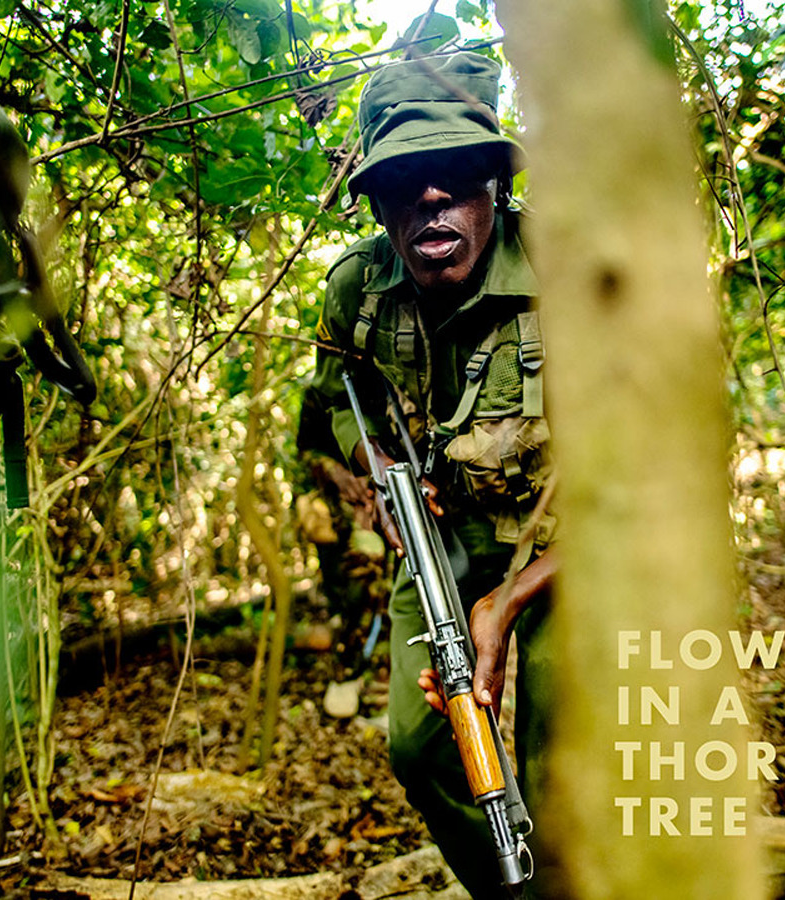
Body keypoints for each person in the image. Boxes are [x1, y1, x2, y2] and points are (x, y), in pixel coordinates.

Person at [310, 51, 557, 899]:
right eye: (403, 182)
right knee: (419, 744)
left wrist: (509, 601)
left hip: (566, 544)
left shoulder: (570, 272)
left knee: (563, 757)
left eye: (454, 175)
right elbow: (338, 398)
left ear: (495, 186)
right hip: (441, 545)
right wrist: (373, 465)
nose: (428, 199)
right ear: (378, 205)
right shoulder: (355, 290)